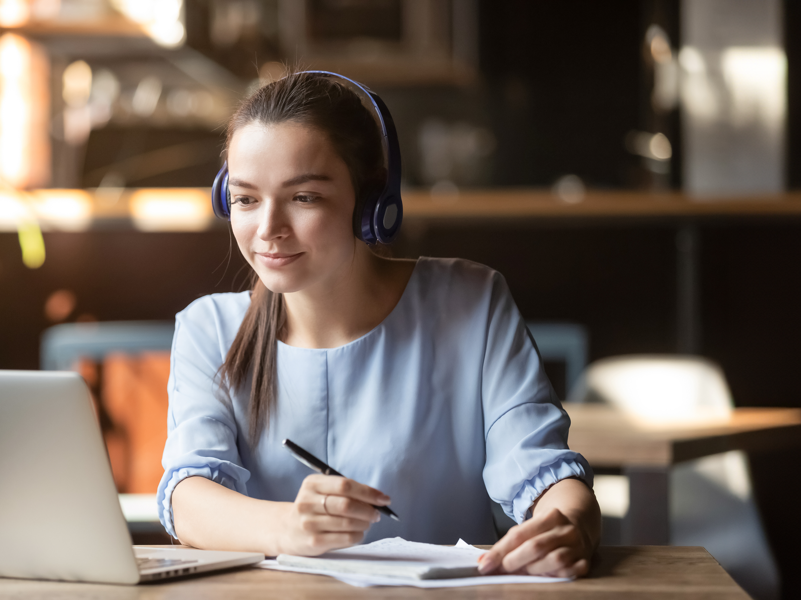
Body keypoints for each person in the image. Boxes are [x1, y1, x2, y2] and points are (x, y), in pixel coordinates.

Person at [157, 71, 601, 579]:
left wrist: (572, 523)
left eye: (304, 198)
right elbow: (188, 496)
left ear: (371, 205)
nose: (268, 229)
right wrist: (291, 529)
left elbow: (541, 470)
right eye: (246, 199)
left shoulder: (471, 302)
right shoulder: (208, 328)